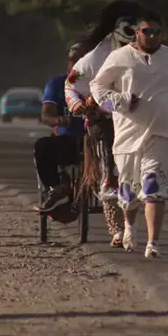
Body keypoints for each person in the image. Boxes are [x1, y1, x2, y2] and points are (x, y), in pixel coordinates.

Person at [89, 10, 168, 258]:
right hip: (127, 136)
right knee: (128, 192)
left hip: (161, 135)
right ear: (137, 33)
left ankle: (153, 243)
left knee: (153, 186)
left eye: (157, 32)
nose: (152, 36)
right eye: (146, 31)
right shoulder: (120, 57)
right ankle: (128, 225)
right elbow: (97, 87)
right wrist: (121, 101)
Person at [34, 44, 126, 246]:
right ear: (69, 63)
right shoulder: (59, 84)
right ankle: (57, 188)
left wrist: (101, 110)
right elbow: (47, 115)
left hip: (99, 138)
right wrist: (59, 120)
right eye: (75, 60)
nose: (79, 64)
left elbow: (118, 104)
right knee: (41, 146)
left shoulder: (105, 81)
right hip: (70, 140)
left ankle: (120, 224)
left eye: (84, 60)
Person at [65, 0, 144, 201]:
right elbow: (71, 84)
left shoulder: (155, 55)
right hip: (105, 114)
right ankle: (108, 179)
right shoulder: (94, 59)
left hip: (142, 116)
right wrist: (79, 104)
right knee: (104, 131)